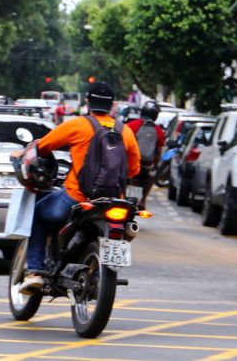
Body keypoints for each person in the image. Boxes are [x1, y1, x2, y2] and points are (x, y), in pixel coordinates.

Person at [18, 81, 141, 294]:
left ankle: (36, 271)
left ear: (87, 102)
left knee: (38, 213)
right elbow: (134, 169)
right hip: (113, 201)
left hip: (77, 197)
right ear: (113, 105)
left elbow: (44, 147)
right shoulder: (125, 131)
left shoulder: (77, 125)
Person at [125, 101, 165, 210]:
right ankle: (143, 200)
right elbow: (158, 151)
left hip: (132, 164)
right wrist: (155, 165)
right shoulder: (159, 131)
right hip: (147, 165)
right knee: (150, 179)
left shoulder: (131, 125)